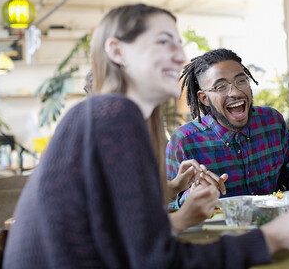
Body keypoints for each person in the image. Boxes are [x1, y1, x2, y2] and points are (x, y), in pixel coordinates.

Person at [4, 4, 289, 268]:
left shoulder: (104, 115)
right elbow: (159, 260)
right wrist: (273, 238)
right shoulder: (114, 115)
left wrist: (171, 191)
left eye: (178, 43)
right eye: (163, 41)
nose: (179, 56)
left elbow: (133, 240)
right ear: (117, 52)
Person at [166, 48, 289, 207]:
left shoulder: (272, 122)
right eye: (221, 86)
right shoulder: (184, 141)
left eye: (241, 81)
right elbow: (168, 204)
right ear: (204, 98)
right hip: (217, 231)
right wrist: (192, 196)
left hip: (275, 225)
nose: (235, 92)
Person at [84, 69, 224, 232]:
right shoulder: (90, 150)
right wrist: (183, 217)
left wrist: (175, 186)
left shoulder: (122, 140)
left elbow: (133, 200)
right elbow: (121, 233)